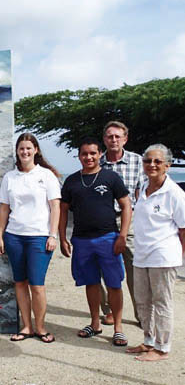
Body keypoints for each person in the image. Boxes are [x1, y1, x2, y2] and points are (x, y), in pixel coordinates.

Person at [59, 137, 132, 346]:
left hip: (108, 238)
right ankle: (95, 323)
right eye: (84, 154)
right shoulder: (72, 181)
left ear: (100, 154)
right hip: (81, 240)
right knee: (90, 283)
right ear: (79, 156)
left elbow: (126, 206)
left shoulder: (111, 177)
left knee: (114, 283)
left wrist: (122, 235)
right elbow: (63, 210)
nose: (88, 157)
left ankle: (118, 328)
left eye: (93, 153)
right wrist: (62, 237)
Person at [0, 133, 61, 343]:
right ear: (17, 151)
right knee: (20, 283)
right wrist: (0, 236)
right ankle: (26, 326)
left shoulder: (47, 176)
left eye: (28, 148)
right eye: (21, 148)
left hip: (39, 237)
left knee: (37, 284)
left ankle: (41, 328)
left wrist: (53, 235)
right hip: (14, 236)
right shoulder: (10, 177)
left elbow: (55, 207)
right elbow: (4, 209)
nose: (25, 152)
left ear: (36, 150)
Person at [126, 144, 185, 361]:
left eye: (157, 162)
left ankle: (162, 347)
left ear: (167, 166)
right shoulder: (142, 187)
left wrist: (178, 257)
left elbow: (183, 229)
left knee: (162, 302)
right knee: (143, 301)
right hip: (142, 254)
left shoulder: (175, 194)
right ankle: (148, 340)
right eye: (147, 161)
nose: (152, 165)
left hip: (163, 255)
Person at [99, 121, 144, 326]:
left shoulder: (138, 161)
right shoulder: (96, 162)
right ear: (104, 139)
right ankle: (109, 310)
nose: (114, 140)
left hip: (131, 219)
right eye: (110, 136)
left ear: (125, 139)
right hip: (104, 221)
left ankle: (142, 314)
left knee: (136, 269)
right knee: (104, 268)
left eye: (118, 136)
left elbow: (142, 194)